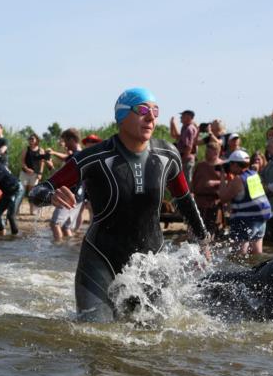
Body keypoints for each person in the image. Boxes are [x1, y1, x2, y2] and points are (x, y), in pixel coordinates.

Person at [31, 87, 208, 322]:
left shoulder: (168, 155)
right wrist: (50, 196)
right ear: (122, 117)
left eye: (155, 111)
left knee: (158, 342)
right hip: (100, 262)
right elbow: (38, 191)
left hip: (150, 266)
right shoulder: (96, 157)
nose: (151, 117)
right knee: (96, 337)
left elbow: (185, 200)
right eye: (142, 110)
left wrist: (203, 239)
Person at [218, 149, 271, 256]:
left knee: (238, 258)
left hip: (246, 221)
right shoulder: (254, 175)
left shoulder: (238, 180)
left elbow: (223, 198)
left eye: (230, 164)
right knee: (256, 256)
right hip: (260, 220)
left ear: (236, 165)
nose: (229, 167)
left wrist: (222, 176)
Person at [190, 137, 225, 240]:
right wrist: (191, 193)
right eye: (206, 150)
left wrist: (215, 183)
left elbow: (230, 182)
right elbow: (193, 182)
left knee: (212, 231)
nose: (206, 153)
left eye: (209, 151)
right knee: (196, 230)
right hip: (199, 202)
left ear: (216, 152)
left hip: (214, 202)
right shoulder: (200, 165)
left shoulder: (223, 166)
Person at [170, 109, 199, 183]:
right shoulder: (185, 127)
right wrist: (172, 124)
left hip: (186, 159)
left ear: (189, 117)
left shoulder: (189, 129)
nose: (181, 117)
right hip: (184, 157)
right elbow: (176, 136)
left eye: (183, 116)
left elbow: (189, 147)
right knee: (182, 181)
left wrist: (182, 160)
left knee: (186, 182)